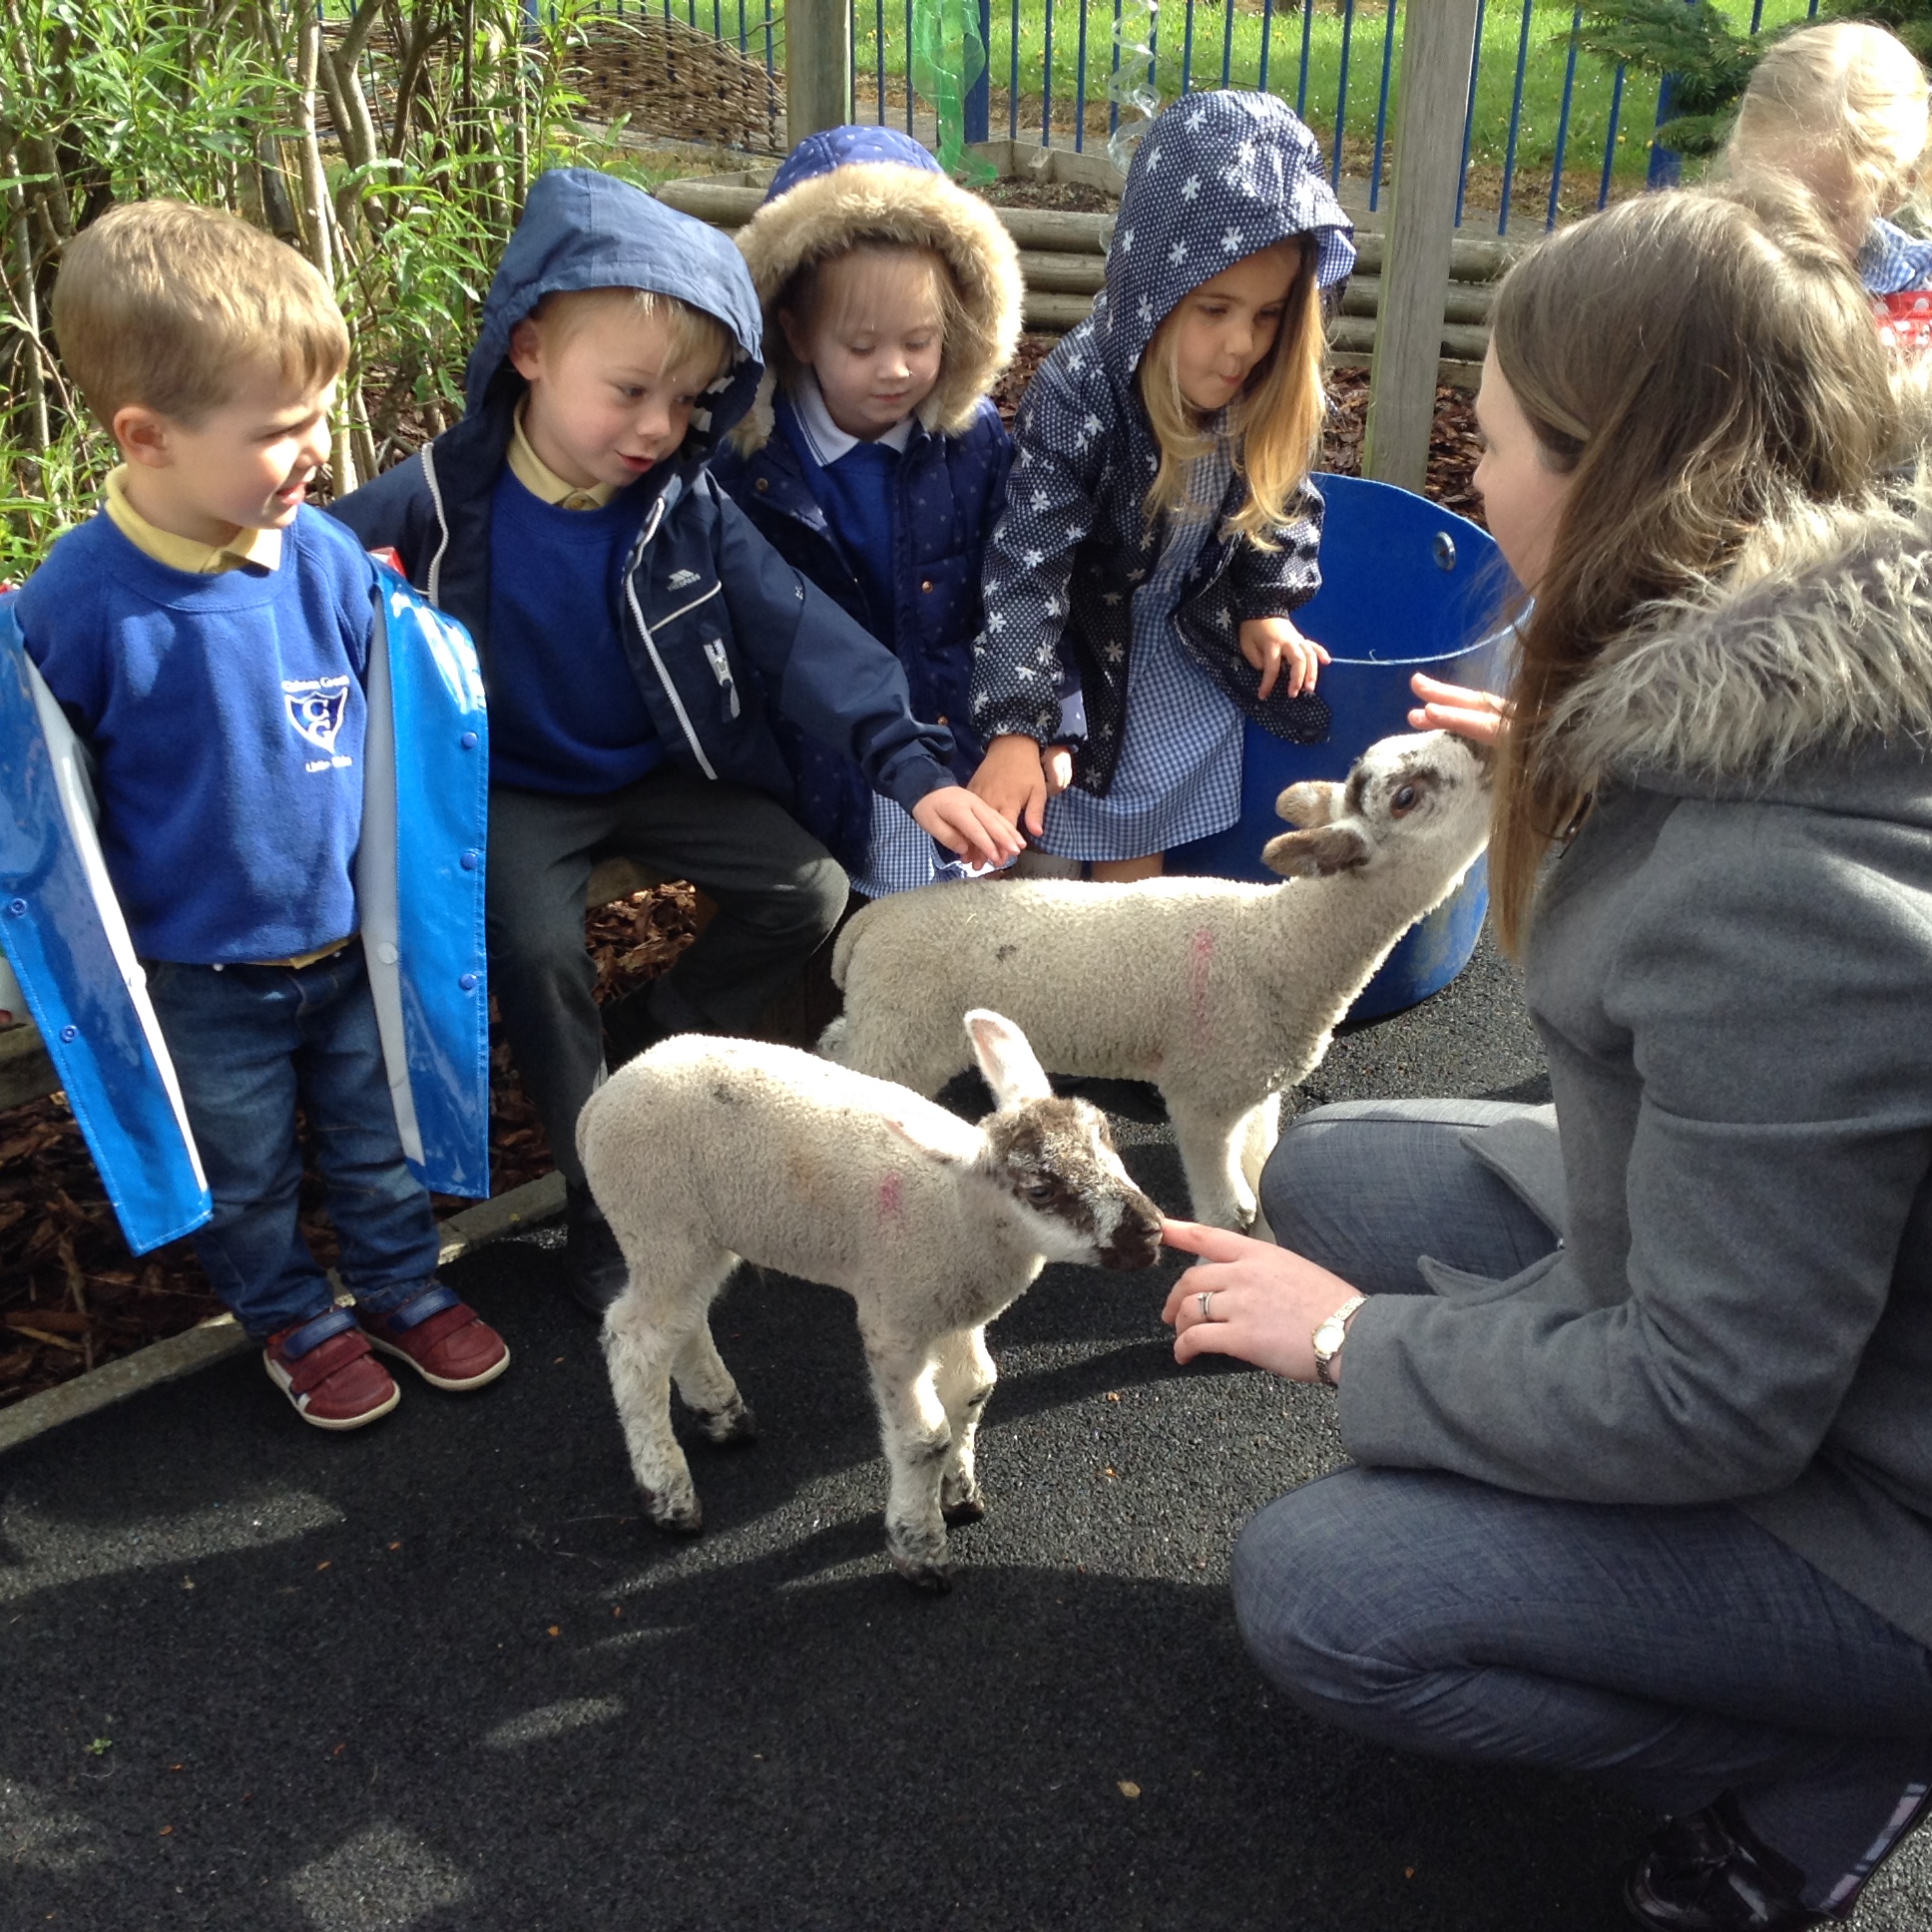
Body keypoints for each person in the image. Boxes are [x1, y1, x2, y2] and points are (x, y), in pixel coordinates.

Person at [1160, 186, 1932, 1929]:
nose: (1470, 477)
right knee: (1331, 1167)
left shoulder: (1781, 904)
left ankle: (1836, 1741)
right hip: (1807, 1305)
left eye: (1492, 441)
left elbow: (1716, 1400)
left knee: (1326, 1589)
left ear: (1614, 483)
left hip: (1881, 1486)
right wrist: (1605, 738)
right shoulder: (1818, 671)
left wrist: (1361, 1342)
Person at [330, 170, 1021, 1317]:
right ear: (532, 349)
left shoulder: (678, 501)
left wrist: (910, 767)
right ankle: (604, 1198)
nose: (656, 426)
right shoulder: (437, 502)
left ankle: (655, 1031)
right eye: (631, 391)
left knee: (803, 889)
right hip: (512, 789)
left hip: (655, 770)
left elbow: (806, 638)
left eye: (686, 399)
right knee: (542, 956)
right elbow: (285, 572)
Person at [6, 202, 508, 1430]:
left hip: (344, 945)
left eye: (319, 416)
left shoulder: (325, 557)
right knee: (244, 1170)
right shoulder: (80, 606)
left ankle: (396, 1279)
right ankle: (290, 1314)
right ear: (148, 436)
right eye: (281, 431)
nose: (318, 453)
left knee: (373, 1128)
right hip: (197, 971)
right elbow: (36, 793)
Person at [966, 92, 1352, 882]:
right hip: (1073, 663)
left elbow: (1282, 501)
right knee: (1043, 857)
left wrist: (1264, 602)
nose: (1242, 344)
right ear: (1154, 288)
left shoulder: (1262, 388)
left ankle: (1117, 992)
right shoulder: (1085, 392)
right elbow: (1027, 569)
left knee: (1132, 872)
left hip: (1178, 650)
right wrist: (1015, 725)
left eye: (1269, 313)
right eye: (1214, 309)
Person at [711, 126, 1021, 897]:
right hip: (814, 758)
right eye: (861, 346)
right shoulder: (755, 461)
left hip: (952, 728)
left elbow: (1019, 576)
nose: (896, 370)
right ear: (794, 330)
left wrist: (1031, 722)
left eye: (921, 341)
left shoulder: (970, 440)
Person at [1726, 20, 1932, 354]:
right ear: (1738, 163)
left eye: (1826, 215)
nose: (1787, 234)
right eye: (1763, 203)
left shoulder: (1916, 305)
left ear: (1894, 192)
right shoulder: (1690, 268)